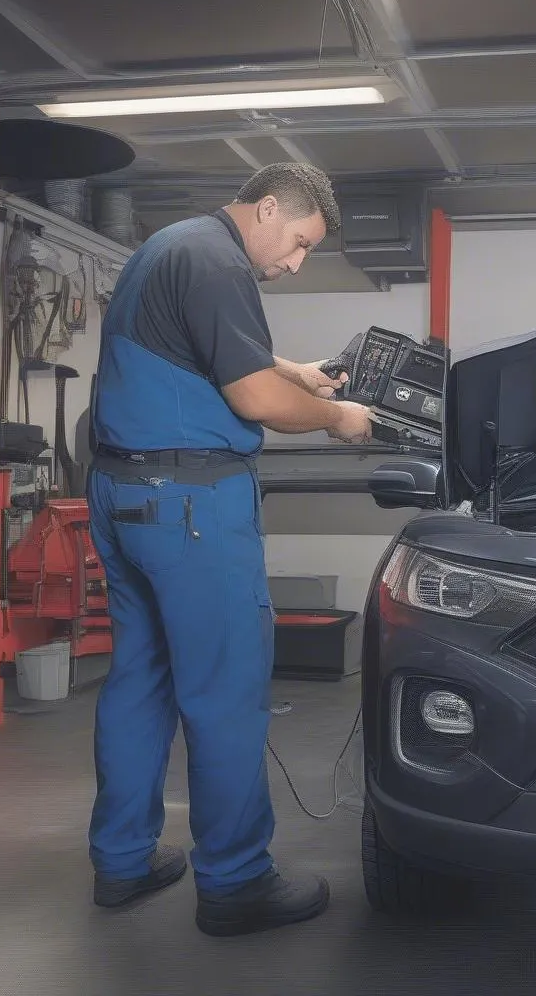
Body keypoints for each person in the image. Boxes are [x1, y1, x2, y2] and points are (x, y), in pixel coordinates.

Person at [85, 162, 373, 937]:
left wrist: (299, 373)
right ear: (269, 207)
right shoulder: (217, 262)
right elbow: (254, 400)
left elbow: (211, 353)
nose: (294, 263)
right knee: (225, 690)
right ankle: (237, 880)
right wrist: (338, 415)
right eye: (301, 244)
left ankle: (121, 860)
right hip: (190, 509)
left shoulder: (170, 248)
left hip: (123, 495)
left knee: (140, 682)